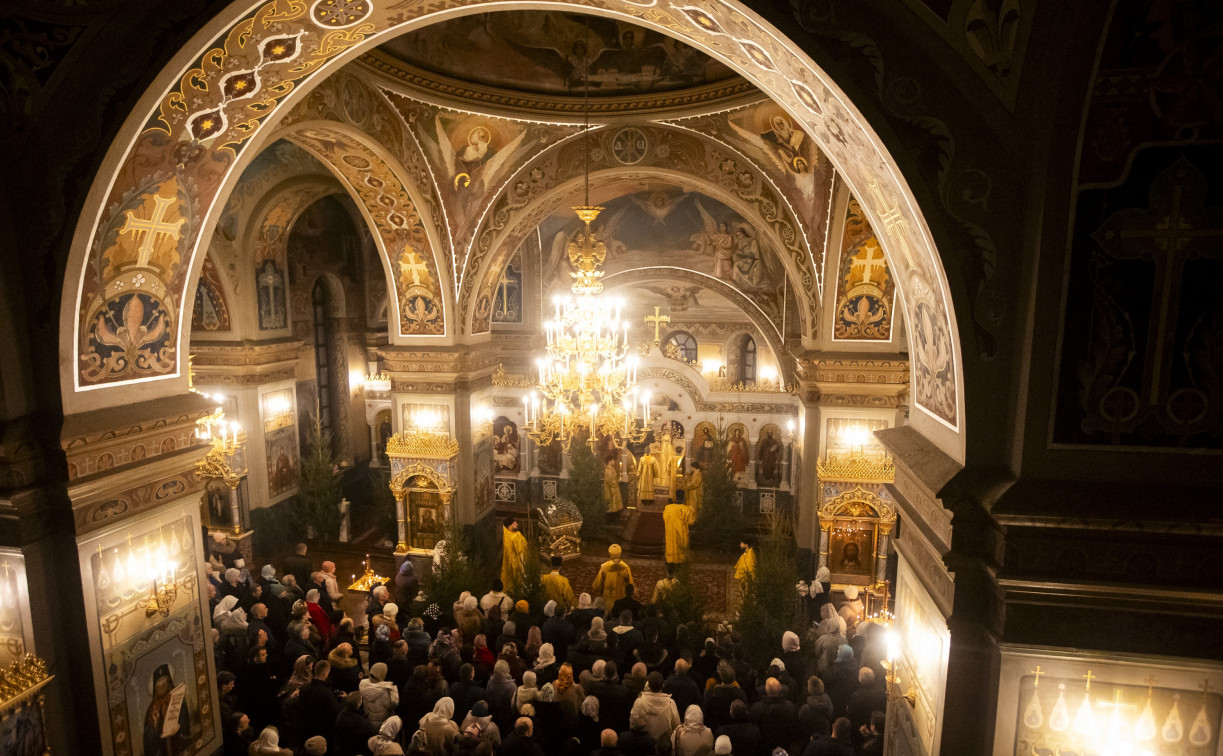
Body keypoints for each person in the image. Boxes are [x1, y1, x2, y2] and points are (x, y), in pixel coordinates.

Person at [143, 663, 191, 755]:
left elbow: (184, 718)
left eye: (164, 683)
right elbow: (148, 735)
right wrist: (155, 725)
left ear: (169, 683)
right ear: (155, 689)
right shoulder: (151, 710)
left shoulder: (177, 696)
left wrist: (178, 727)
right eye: (159, 685)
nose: (162, 686)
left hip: (177, 740)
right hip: (161, 747)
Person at [629, 672, 680, 741]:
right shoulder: (671, 704)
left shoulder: (639, 702)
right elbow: (677, 728)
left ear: (649, 685)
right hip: (664, 747)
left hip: (645, 745)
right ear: (663, 685)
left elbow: (633, 724)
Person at [592, 544, 633, 608]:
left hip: (607, 594)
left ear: (610, 554)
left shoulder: (604, 566)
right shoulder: (625, 567)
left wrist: (595, 587)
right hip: (620, 594)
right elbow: (630, 582)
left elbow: (597, 583)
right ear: (620, 554)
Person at [663, 497, 695, 566]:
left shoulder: (668, 508)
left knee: (671, 546)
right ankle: (681, 562)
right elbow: (690, 522)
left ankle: (670, 561)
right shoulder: (687, 508)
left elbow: (665, 518)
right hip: (682, 531)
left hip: (670, 531)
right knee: (680, 547)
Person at [501, 517, 527, 595]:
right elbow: (521, 551)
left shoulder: (506, 534)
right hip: (517, 563)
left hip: (509, 563)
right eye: (514, 523)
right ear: (510, 525)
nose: (517, 524)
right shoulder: (516, 536)